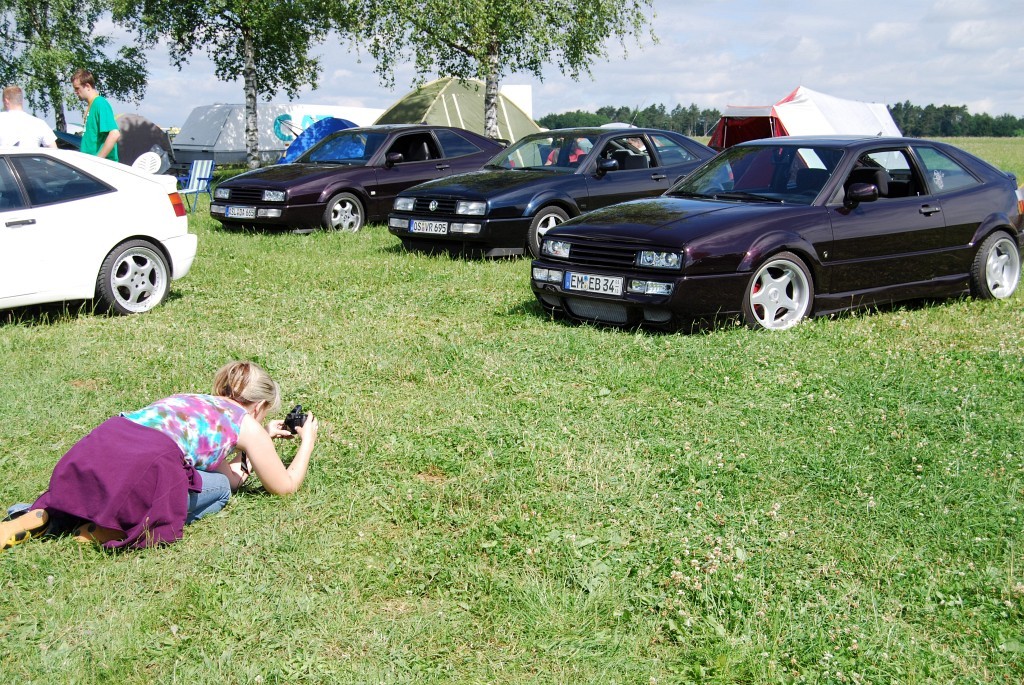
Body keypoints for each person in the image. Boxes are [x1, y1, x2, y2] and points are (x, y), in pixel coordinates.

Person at [0, 361, 318, 551]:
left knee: (116, 484)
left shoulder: (190, 399)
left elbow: (215, 462)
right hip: (146, 463)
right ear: (259, 406)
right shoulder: (246, 423)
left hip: (101, 445)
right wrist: (307, 441)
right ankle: (112, 529)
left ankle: (43, 515)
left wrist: (257, 444)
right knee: (220, 489)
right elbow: (283, 487)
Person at [71, 68, 120, 161]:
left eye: (77, 88)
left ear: (87, 86)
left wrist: (98, 160)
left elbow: (114, 134)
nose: (75, 92)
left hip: (101, 166)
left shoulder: (100, 103)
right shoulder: (92, 105)